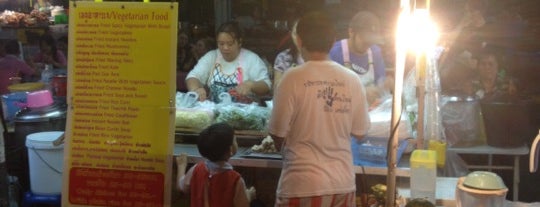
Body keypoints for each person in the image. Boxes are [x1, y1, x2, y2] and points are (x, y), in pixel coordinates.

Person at [269, 11, 370, 206]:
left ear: (299, 40)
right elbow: (360, 133)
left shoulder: (291, 78)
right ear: (333, 41)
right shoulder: (352, 80)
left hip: (301, 186)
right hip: (342, 184)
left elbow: (277, 134)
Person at [185, 21, 271, 103]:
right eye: (221, 44)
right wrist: (196, 89)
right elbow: (193, 77)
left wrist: (251, 85)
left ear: (240, 42)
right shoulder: (211, 56)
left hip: (245, 114)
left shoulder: (252, 59)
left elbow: (266, 86)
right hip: (215, 112)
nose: (225, 48)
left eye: (230, 44)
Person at [175, 122, 256, 207]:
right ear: (231, 149)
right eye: (235, 139)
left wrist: (181, 166)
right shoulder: (236, 180)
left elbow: (181, 187)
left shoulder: (196, 169)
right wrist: (249, 196)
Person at [329, 11, 389, 107]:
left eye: (371, 41)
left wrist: (383, 87)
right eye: (364, 40)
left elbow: (380, 82)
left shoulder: (375, 52)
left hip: (369, 112)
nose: (367, 45)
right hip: (343, 112)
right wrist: (360, 93)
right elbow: (328, 92)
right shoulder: (334, 53)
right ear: (351, 32)